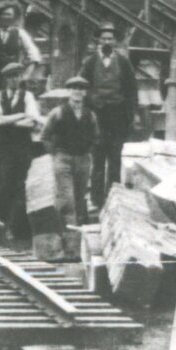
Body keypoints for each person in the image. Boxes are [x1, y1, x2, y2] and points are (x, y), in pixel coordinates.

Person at [0, 62, 41, 240]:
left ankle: (17, 229)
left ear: (22, 77)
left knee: (21, 187)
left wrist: (9, 120)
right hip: (3, 149)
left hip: (23, 149)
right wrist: (20, 116)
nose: (15, 79)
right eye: (10, 76)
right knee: (3, 185)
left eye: (17, 75)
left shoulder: (28, 96)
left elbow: (33, 122)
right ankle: (0, 224)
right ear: (5, 79)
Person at [82, 26, 138, 208]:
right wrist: (89, 105)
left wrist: (132, 114)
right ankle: (97, 201)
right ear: (98, 41)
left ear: (115, 42)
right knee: (97, 160)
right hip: (97, 117)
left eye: (110, 39)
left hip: (117, 117)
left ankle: (113, 199)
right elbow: (82, 87)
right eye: (103, 39)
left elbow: (131, 90)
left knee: (115, 159)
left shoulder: (123, 62)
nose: (107, 42)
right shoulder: (90, 63)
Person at [41, 76, 98, 229]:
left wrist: (87, 152)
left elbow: (95, 137)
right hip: (63, 158)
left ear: (85, 92)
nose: (77, 91)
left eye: (81, 88)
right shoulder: (58, 112)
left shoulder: (90, 115)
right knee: (67, 199)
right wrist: (55, 155)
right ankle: (68, 232)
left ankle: (69, 232)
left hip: (83, 160)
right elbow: (45, 135)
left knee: (79, 199)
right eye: (74, 88)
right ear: (69, 91)